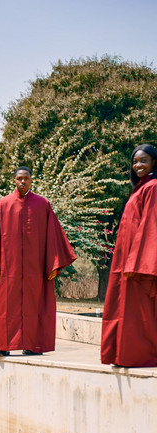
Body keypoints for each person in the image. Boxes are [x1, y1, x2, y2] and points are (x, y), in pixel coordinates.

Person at [0, 167, 76, 357]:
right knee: (6, 306)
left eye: (26, 179)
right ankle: (5, 344)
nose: (23, 182)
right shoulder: (3, 204)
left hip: (36, 268)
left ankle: (32, 345)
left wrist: (53, 264)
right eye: (19, 179)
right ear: (14, 181)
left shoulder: (43, 204)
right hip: (10, 267)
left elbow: (53, 235)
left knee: (36, 305)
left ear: (31, 181)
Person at [101, 144, 157, 367]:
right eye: (135, 161)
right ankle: (122, 354)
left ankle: (137, 356)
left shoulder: (153, 187)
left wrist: (137, 261)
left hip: (137, 261)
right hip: (125, 259)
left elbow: (150, 225)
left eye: (143, 160)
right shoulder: (140, 188)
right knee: (121, 308)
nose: (138, 165)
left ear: (154, 162)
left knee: (137, 311)